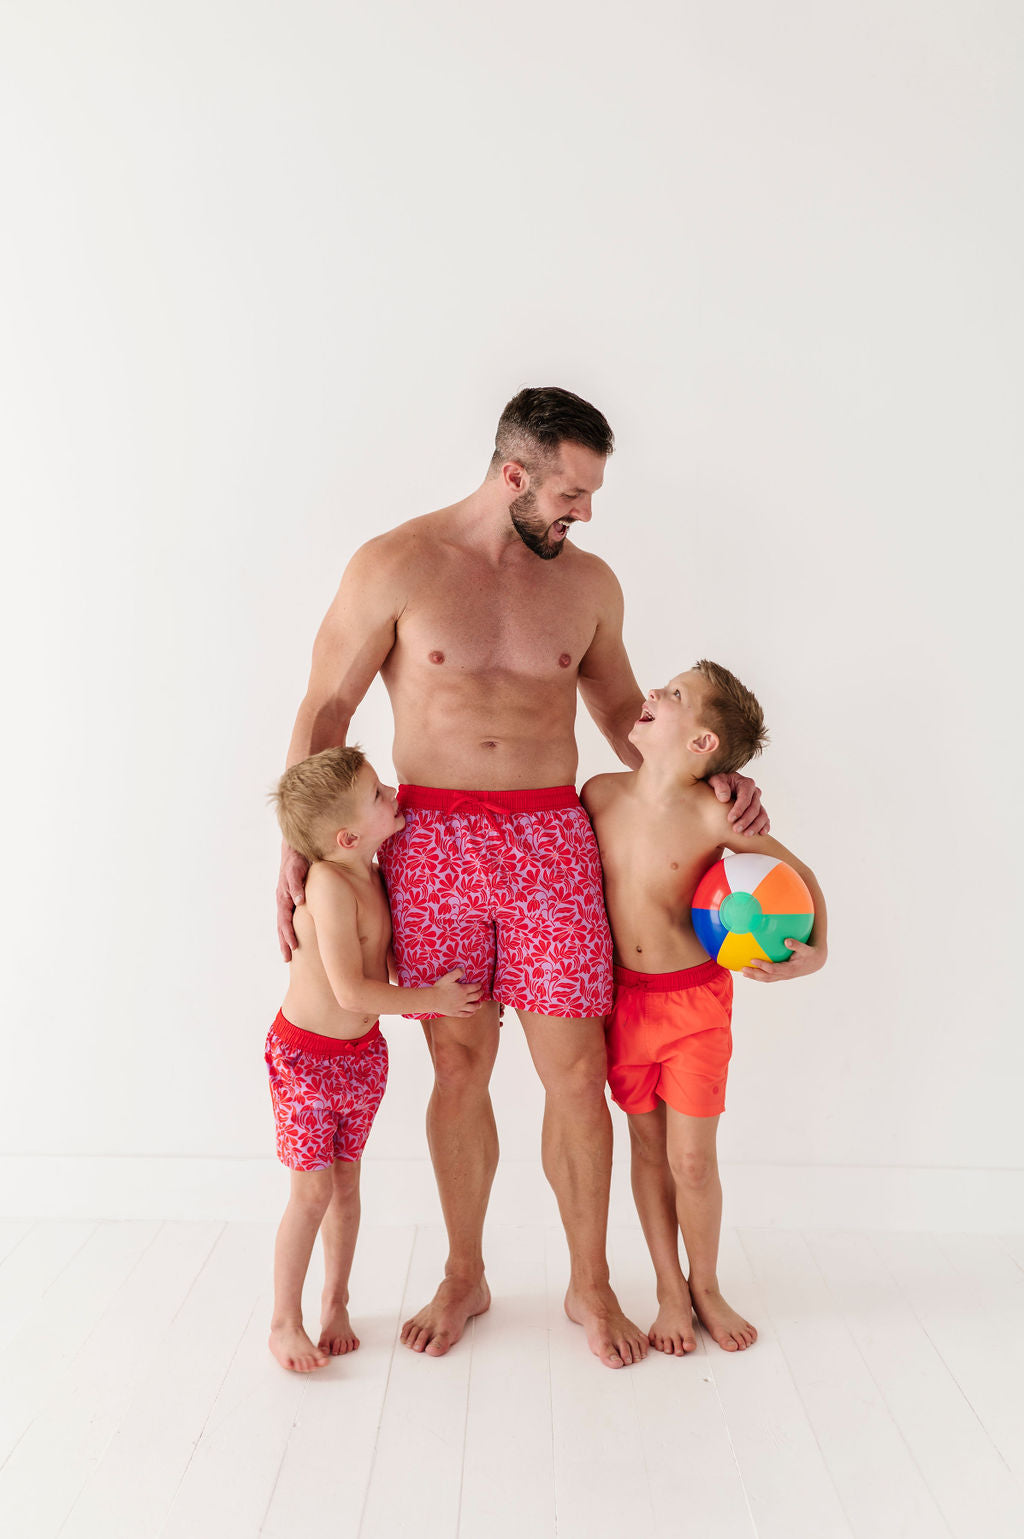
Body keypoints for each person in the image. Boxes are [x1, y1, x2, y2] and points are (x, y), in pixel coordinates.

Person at [276, 387, 769, 1369]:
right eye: (571, 494)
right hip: (431, 842)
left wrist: (716, 787)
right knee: (459, 1067)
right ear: (514, 475)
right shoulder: (395, 565)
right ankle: (465, 1273)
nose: (583, 512)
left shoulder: (588, 586)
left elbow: (628, 717)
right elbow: (327, 706)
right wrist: (297, 842)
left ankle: (591, 1282)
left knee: (576, 1073)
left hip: (551, 842)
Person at [582, 661, 827, 1354]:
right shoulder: (598, 794)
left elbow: (800, 874)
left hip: (694, 1004)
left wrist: (817, 951)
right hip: (620, 1002)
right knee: (646, 1148)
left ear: (701, 744)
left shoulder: (713, 814)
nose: (654, 693)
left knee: (691, 1160)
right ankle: (669, 1288)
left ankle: (707, 1285)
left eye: (675, 695)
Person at [266, 745, 481, 1372]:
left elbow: (388, 954)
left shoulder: (375, 871)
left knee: (346, 1188)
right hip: (306, 1060)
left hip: (361, 1058)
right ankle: (284, 1323)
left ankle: (336, 1304)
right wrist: (435, 999)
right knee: (311, 1193)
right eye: (379, 795)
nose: (394, 796)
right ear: (347, 836)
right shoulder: (330, 886)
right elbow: (350, 992)